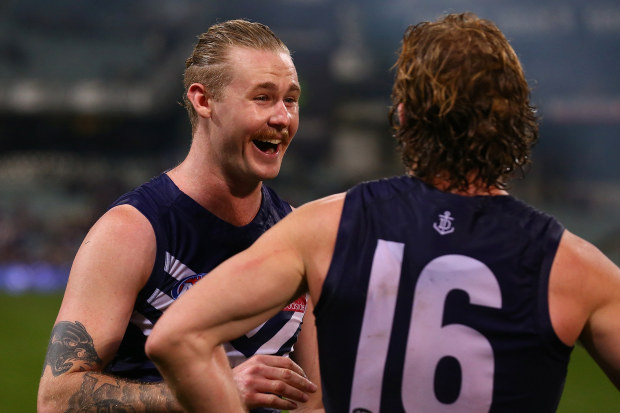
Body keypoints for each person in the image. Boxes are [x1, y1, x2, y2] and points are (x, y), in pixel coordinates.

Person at [145, 12, 620, 413]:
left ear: (403, 116)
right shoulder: (575, 267)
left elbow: (176, 339)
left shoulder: (323, 228)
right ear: (519, 120)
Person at [37, 19, 323, 413]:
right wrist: (211, 390)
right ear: (203, 101)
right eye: (262, 97)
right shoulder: (131, 232)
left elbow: (315, 399)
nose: (282, 118)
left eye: (290, 100)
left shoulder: (297, 232)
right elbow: (56, 399)